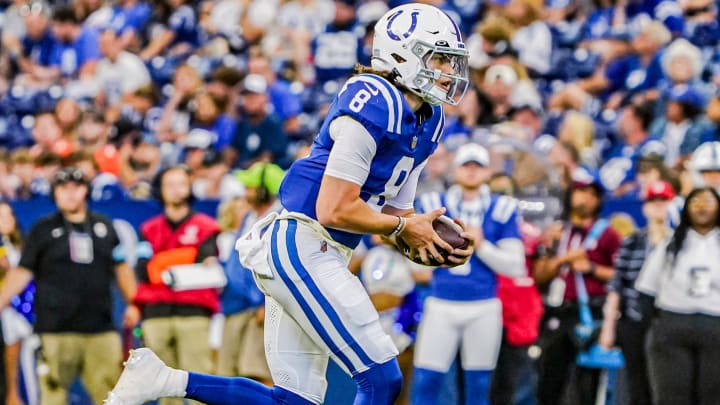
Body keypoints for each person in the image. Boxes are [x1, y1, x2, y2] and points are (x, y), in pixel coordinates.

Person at [106, 3, 473, 405]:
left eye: (450, 61)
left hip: (321, 250)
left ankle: (163, 380)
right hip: (303, 242)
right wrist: (404, 230)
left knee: (294, 401)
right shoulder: (375, 99)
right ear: (401, 55)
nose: (448, 71)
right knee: (381, 379)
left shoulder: (429, 119)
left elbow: (393, 214)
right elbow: (336, 209)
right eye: (437, 58)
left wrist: (425, 238)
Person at [0, 167, 138, 404]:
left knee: (113, 397)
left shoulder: (104, 227)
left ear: (86, 191)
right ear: (55, 193)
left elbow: (122, 267)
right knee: (52, 396)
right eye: (64, 188)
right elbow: (22, 271)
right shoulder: (42, 229)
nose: (71, 194)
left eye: (77, 188)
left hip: (100, 329)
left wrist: (134, 303)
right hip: (54, 330)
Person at [412, 144, 526, 405]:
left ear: (487, 172)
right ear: (456, 170)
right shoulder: (433, 205)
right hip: (442, 302)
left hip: (483, 304)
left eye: (478, 166)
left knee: (479, 385)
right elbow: (415, 261)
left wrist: (482, 245)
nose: (472, 171)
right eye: (466, 165)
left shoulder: (502, 208)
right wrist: (432, 259)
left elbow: (516, 267)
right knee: (427, 380)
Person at [131, 165, 222, 405]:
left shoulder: (206, 226)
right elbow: (144, 271)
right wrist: (186, 259)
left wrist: (161, 263)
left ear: (190, 186)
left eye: (181, 183)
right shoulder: (148, 229)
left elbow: (208, 272)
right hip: (156, 315)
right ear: (160, 190)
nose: (175, 190)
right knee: (164, 390)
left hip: (194, 315)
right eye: (169, 184)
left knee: (201, 385)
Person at [532, 167, 622, 405]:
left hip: (591, 314)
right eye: (580, 191)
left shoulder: (608, 234)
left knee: (587, 385)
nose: (585, 198)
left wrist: (591, 268)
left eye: (592, 193)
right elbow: (539, 275)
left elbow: (623, 275)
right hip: (558, 312)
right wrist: (561, 259)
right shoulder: (558, 233)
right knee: (549, 380)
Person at [635, 187, 720, 405]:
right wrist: (655, 325)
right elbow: (646, 290)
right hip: (673, 325)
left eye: (708, 202)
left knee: (713, 393)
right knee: (671, 394)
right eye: (696, 202)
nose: (702, 207)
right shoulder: (671, 245)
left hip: (715, 325)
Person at [598, 180, 676, 405]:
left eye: (664, 201)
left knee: (665, 382)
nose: (658, 207)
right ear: (645, 206)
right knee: (636, 383)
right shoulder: (632, 241)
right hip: (634, 320)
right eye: (653, 201)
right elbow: (617, 285)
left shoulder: (679, 241)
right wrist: (608, 328)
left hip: (665, 321)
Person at [216, 163, 286, 384]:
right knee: (228, 374)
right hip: (236, 305)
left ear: (265, 190)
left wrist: (269, 303)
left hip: (259, 309)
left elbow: (281, 266)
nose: (246, 192)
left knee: (257, 373)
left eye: (252, 187)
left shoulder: (279, 219)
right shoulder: (249, 217)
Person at [0, 202, 39, 405]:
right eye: (0, 216)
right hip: (6, 313)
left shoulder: (21, 247)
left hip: (23, 311)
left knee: (29, 360)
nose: (5, 221)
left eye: (8, 216)